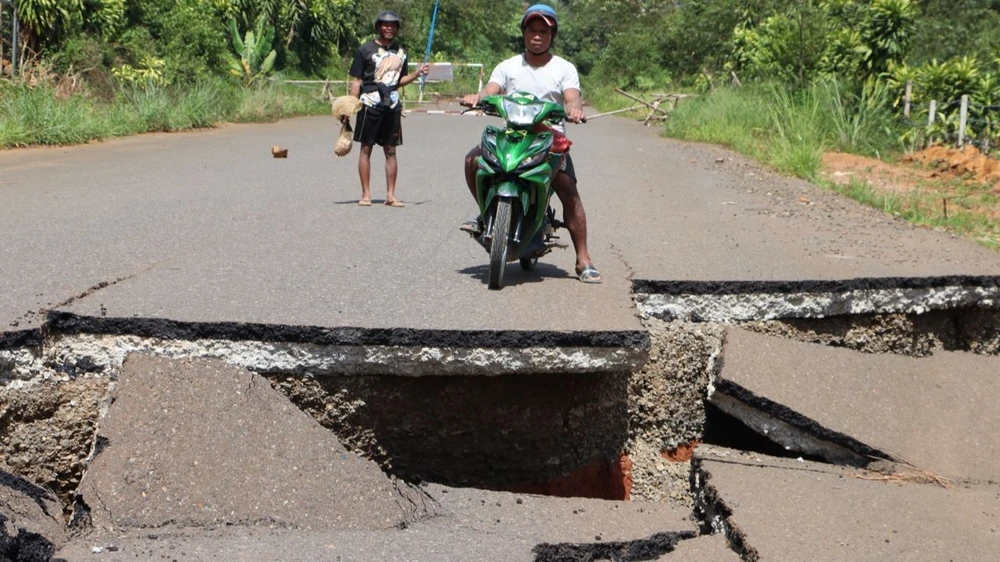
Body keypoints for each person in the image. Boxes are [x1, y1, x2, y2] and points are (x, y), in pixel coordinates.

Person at [459, 4, 601, 283]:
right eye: (532, 30)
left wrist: (574, 109)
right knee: (473, 161)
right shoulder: (508, 66)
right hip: (513, 135)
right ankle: (484, 214)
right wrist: (477, 98)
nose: (537, 36)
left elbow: (572, 96)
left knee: (567, 188)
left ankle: (583, 258)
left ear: (552, 35)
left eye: (543, 31)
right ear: (523, 33)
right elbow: (491, 90)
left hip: (549, 139)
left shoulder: (564, 68)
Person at [345, 10, 429, 207]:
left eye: (393, 25)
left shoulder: (401, 52)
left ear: (397, 29)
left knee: (391, 150)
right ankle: (366, 194)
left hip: (391, 105)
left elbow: (399, 81)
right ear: (379, 27)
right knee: (366, 147)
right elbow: (357, 81)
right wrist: (349, 106)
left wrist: (417, 74)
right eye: (385, 25)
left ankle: (390, 195)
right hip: (370, 103)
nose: (389, 28)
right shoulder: (365, 50)